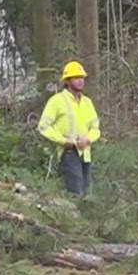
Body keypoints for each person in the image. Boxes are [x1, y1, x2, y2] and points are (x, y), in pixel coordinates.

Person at [37, 60, 102, 196]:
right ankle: (73, 215)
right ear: (67, 81)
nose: (80, 81)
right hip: (69, 152)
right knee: (76, 192)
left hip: (85, 152)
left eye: (82, 78)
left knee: (86, 191)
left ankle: (83, 215)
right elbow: (43, 126)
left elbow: (96, 128)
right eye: (76, 78)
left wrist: (88, 139)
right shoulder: (57, 101)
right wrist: (63, 141)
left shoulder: (87, 102)